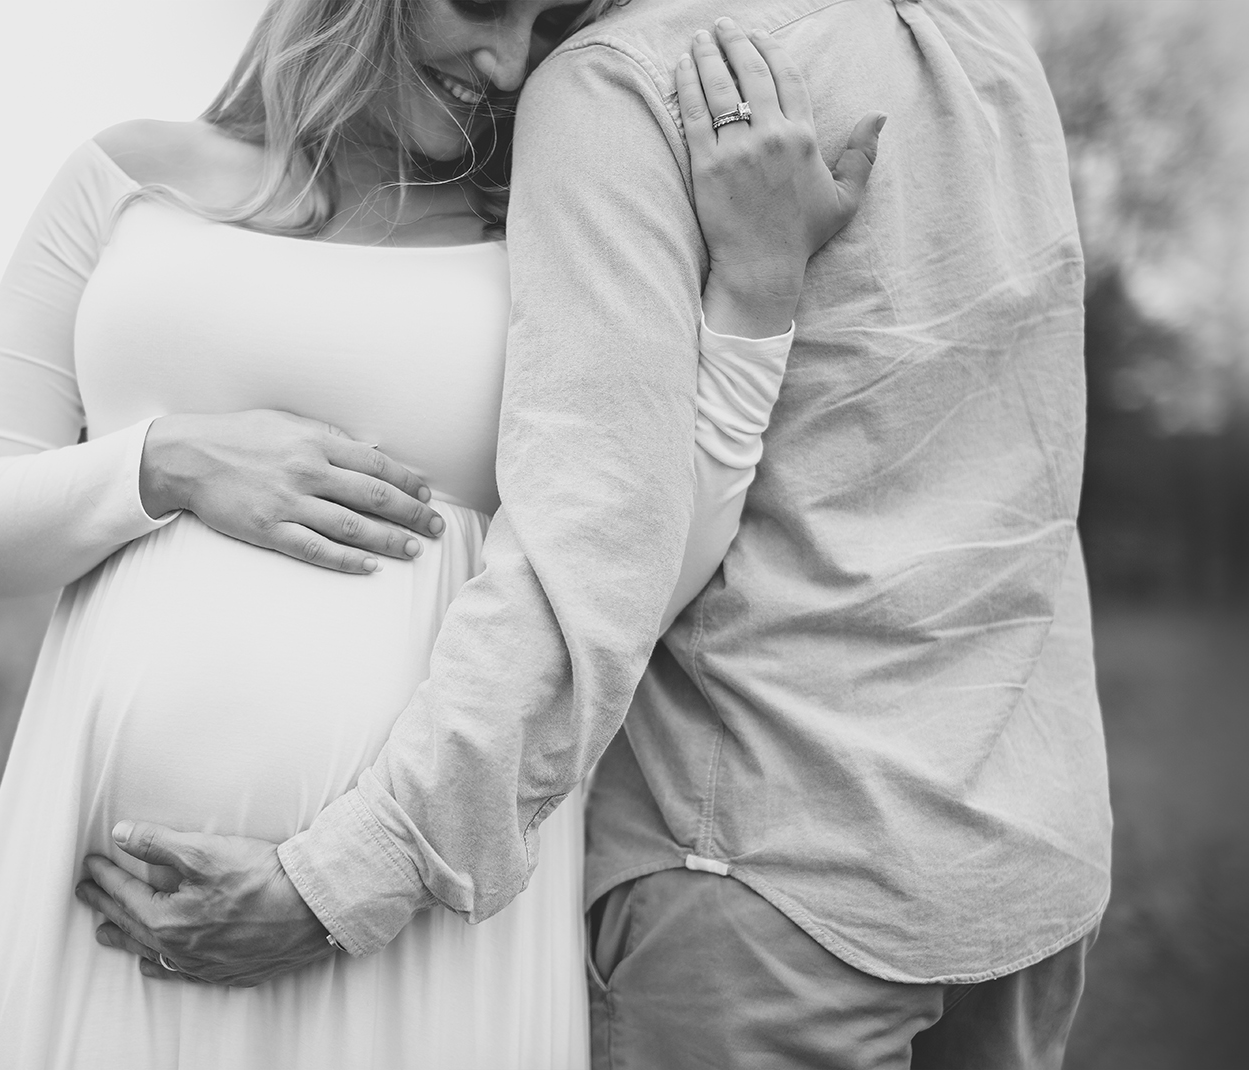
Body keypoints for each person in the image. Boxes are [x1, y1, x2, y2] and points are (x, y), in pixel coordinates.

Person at [83, 1, 1113, 1068]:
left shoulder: (632, 79)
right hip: (1025, 860)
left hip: (755, 886)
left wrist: (342, 877)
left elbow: (595, 551)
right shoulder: (981, 35)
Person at [0, 1, 879, 1066]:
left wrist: (754, 290)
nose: (508, 67)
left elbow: (640, 565)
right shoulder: (127, 176)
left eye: (545, 29)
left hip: (417, 919)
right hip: (111, 904)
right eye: (480, 7)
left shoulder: (550, 220)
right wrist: (165, 460)